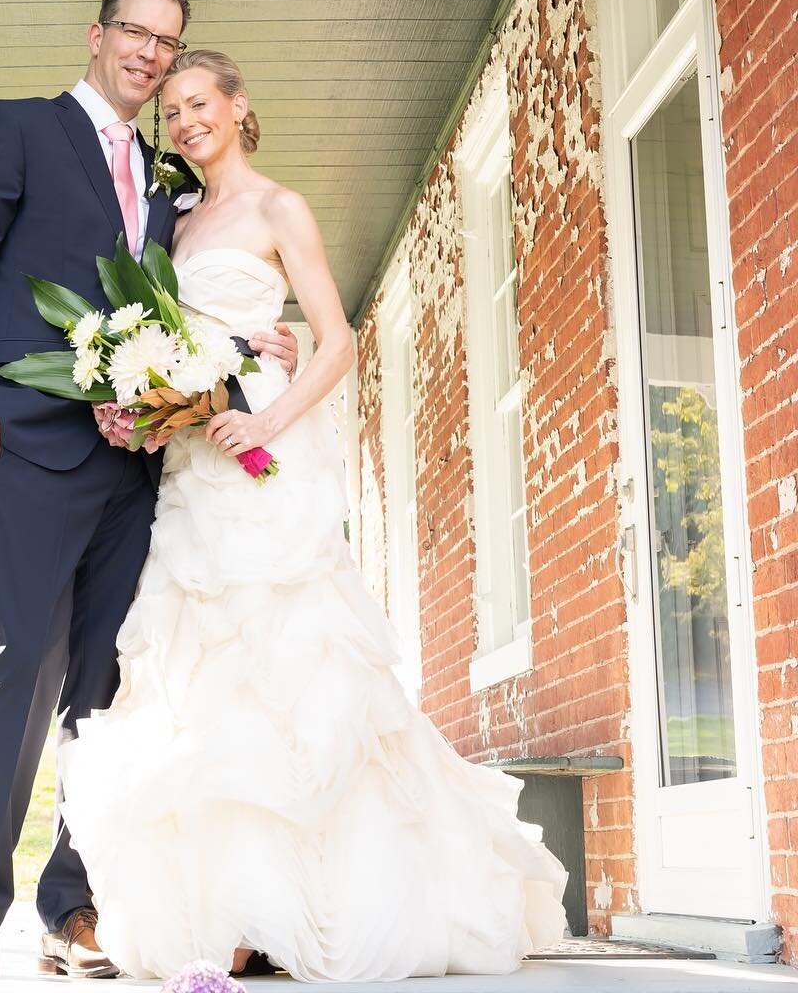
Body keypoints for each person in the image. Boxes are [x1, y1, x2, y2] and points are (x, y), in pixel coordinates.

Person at [59, 50, 569, 982]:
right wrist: (143, 400)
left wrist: (265, 412)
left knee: (290, 658)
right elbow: (166, 337)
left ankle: (313, 904)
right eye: (170, 111)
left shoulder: (277, 207)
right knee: (201, 666)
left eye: (198, 103)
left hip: (262, 453)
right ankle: (238, 911)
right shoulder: (170, 226)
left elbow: (334, 342)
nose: (184, 122)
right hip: (190, 466)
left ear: (238, 106)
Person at [0, 0, 298, 980]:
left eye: (169, 42)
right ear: (97, 34)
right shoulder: (20, 129)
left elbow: (179, 313)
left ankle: (71, 909)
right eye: (135, 31)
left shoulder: (168, 181)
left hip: (140, 464)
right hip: (35, 442)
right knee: (17, 670)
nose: (151, 53)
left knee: (102, 683)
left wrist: (255, 344)